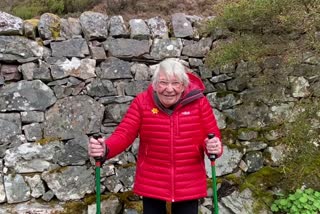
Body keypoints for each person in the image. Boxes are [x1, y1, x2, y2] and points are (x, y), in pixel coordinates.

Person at [88, 58, 223, 214]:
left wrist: (215, 147)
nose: (169, 89)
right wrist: (105, 148)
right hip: (152, 180)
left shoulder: (199, 103)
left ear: (184, 85)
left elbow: (213, 139)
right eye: (163, 83)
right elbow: (124, 133)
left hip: (188, 181)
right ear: (155, 84)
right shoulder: (142, 102)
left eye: (175, 83)